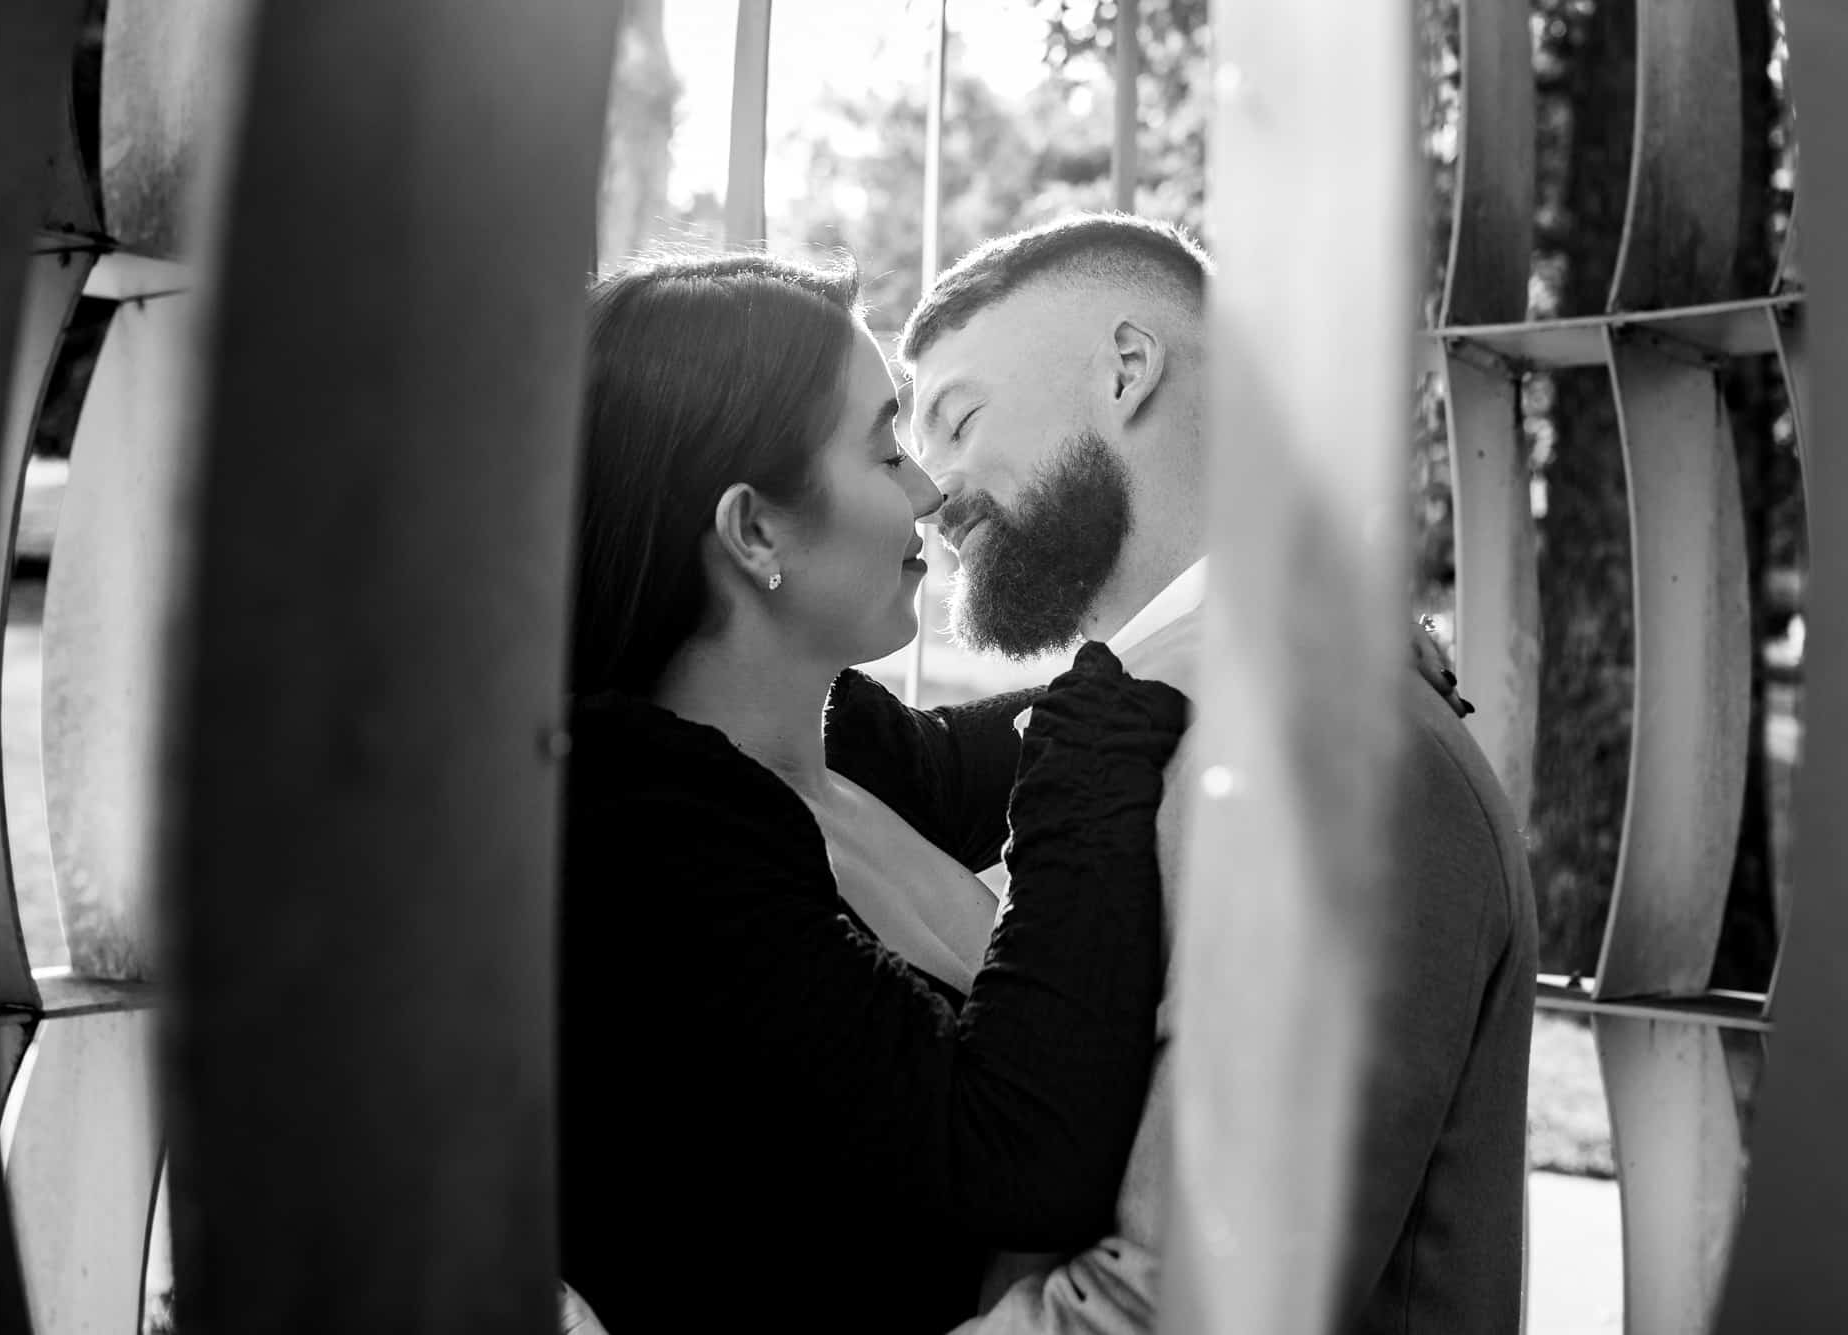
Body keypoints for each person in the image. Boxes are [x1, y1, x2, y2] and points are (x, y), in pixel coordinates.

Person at [899, 213, 1539, 1334]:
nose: (928, 490)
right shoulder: (1172, 711)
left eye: (956, 418)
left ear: (1126, 370)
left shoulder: (1313, 741)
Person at [559, 250, 1189, 1335]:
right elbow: (1011, 1157)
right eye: (883, 446)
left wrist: (1262, 650)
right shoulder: (641, 844)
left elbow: (1019, 741)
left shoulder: (835, 745)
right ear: (754, 530)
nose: (929, 489)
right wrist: (1101, 739)